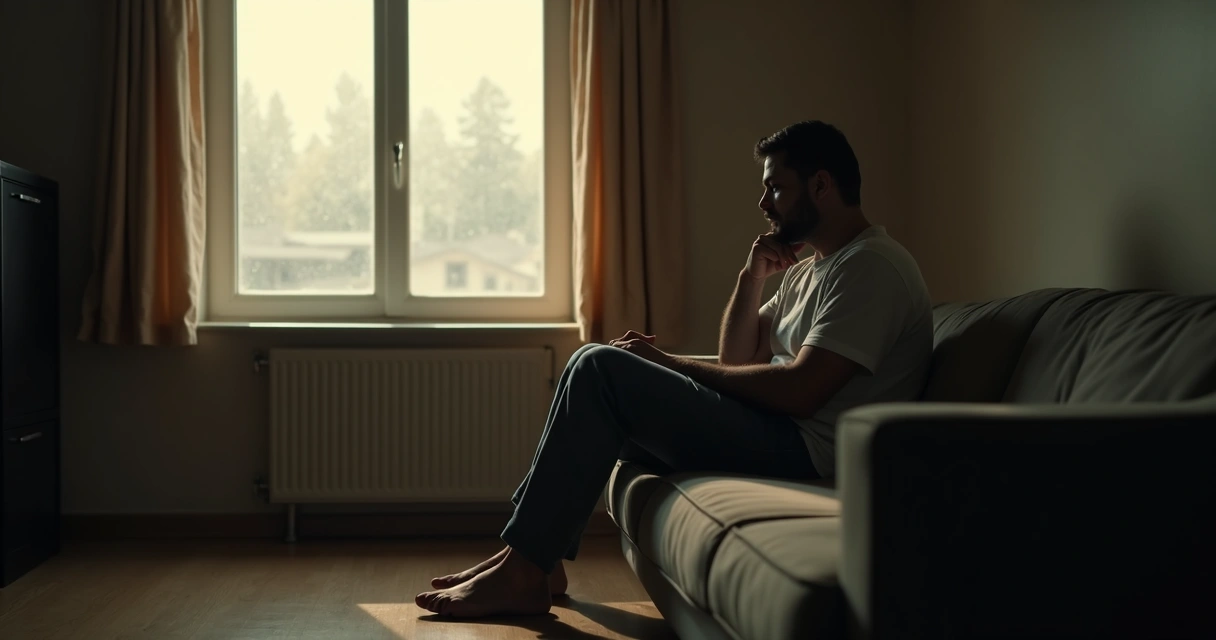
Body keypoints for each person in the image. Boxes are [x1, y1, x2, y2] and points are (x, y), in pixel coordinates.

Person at [414, 120, 933, 618]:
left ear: (821, 185)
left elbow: (801, 391)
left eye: (775, 188)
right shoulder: (814, 268)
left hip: (805, 450)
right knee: (590, 368)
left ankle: (526, 567)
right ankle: (531, 560)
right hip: (774, 430)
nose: (762, 203)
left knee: (601, 369)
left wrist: (663, 361)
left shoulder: (872, 268)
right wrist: (751, 281)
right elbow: (737, 362)